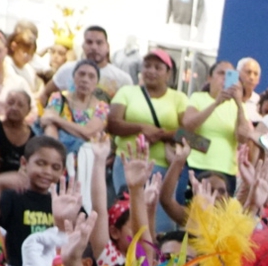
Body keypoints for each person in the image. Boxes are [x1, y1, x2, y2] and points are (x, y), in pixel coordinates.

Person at [0, 134, 66, 266]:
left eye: (55, 167)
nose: (47, 171)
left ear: (63, 171)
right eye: (41, 163)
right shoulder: (14, 195)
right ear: (24, 163)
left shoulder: (62, 201)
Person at [107, 49, 185, 189]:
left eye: (158, 67)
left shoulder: (179, 98)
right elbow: (112, 124)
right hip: (128, 163)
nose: (151, 71)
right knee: (126, 209)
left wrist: (162, 134)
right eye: (147, 66)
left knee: (158, 210)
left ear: (168, 74)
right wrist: (141, 128)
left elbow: (193, 137)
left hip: (163, 167)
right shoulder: (127, 92)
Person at [181, 59, 249, 193]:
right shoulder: (198, 98)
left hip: (226, 171)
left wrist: (239, 104)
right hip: (197, 166)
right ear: (210, 78)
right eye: (221, 73)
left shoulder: (239, 107)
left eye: (230, 75)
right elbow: (188, 125)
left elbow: (242, 138)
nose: (225, 78)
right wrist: (216, 103)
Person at [43, 25, 130, 105]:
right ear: (83, 46)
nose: (94, 47)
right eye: (89, 42)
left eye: (99, 43)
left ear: (107, 47)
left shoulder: (122, 79)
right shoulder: (67, 69)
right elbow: (45, 94)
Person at [40, 59, 107, 158]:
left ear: (97, 83)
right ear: (73, 77)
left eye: (91, 76)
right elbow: (47, 123)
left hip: (87, 160)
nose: (85, 80)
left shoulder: (101, 107)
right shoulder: (58, 98)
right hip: (59, 156)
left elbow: (90, 134)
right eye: (81, 74)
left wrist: (57, 120)